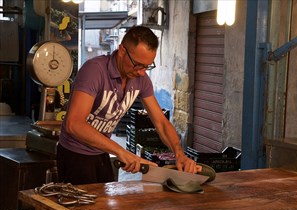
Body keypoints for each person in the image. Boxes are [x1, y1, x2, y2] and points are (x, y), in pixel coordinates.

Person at [57, 25, 199, 185]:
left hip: (101, 152)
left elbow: (161, 122)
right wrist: (121, 152)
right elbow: (74, 124)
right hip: (74, 154)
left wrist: (179, 154)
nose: (141, 72)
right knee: (80, 209)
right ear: (122, 51)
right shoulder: (94, 71)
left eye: (147, 66)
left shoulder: (141, 80)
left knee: (104, 207)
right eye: (137, 64)